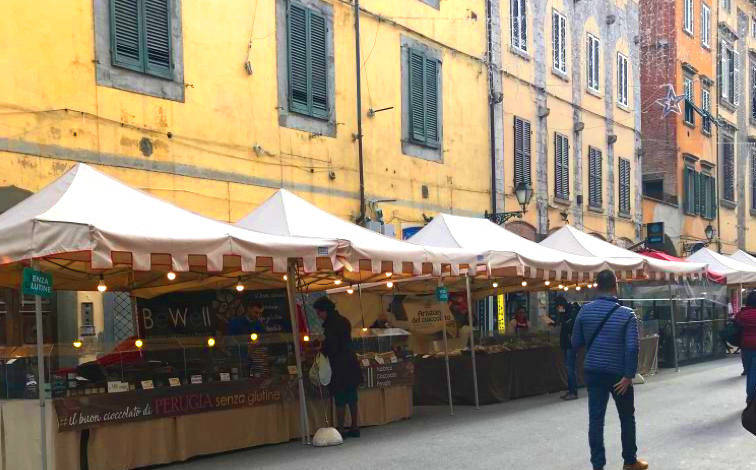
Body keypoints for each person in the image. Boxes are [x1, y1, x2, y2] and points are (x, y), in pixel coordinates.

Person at [572, 270, 647, 470]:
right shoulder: (626, 314)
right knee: (626, 417)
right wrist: (628, 376)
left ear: (596, 287)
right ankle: (630, 462)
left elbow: (575, 342)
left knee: (596, 419)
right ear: (615, 286)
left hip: (594, 372)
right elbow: (632, 347)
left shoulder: (584, 311)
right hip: (618, 375)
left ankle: (598, 465)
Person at [313, 296, 363, 438]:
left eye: (319, 312)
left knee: (340, 396)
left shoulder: (331, 325)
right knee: (352, 396)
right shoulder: (344, 321)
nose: (318, 315)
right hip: (350, 361)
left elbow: (333, 347)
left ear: (325, 311)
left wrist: (321, 349)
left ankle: (340, 428)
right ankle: (355, 426)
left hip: (339, 365)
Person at [555, 296, 578, 400]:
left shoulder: (571, 311)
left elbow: (570, 326)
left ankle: (573, 391)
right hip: (566, 342)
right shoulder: (564, 312)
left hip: (570, 343)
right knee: (569, 367)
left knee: (570, 368)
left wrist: (563, 318)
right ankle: (570, 390)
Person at [736, 291, 756, 403]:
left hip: (746, 347)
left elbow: (736, 321)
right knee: (754, 374)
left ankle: (750, 397)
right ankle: (751, 399)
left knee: (750, 372)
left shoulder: (742, 313)